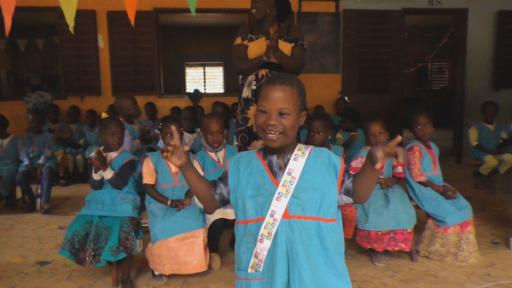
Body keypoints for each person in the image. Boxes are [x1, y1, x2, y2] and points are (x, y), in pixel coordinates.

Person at [164, 73, 402, 287]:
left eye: (283, 113)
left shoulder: (324, 162)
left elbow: (358, 194)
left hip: (315, 274)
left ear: (301, 118)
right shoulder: (241, 166)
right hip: (264, 275)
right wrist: (186, 165)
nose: (271, 121)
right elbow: (211, 202)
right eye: (263, 112)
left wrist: (372, 164)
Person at [60, 117, 142, 288]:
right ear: (101, 137)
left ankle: (126, 277)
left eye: (120, 135)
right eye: (112, 135)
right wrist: (97, 169)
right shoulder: (96, 155)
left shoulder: (128, 158)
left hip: (123, 202)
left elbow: (119, 184)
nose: (117, 139)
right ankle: (105, 257)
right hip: (100, 202)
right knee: (80, 226)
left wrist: (104, 167)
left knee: (126, 230)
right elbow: (95, 185)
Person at [405, 111, 478, 263]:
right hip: (422, 189)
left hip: (438, 186)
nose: (423, 128)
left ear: (433, 128)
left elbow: (436, 174)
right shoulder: (414, 149)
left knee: (464, 205)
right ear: (412, 130)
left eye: (427, 125)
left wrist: (445, 188)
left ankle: (460, 247)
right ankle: (436, 248)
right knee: (448, 212)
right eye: (418, 126)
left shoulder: (433, 147)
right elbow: (418, 176)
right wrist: (439, 189)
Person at [143, 115, 208, 283]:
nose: (173, 138)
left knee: (195, 224)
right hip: (161, 205)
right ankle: (158, 267)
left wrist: (187, 198)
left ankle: (188, 265)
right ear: (160, 136)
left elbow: (197, 182)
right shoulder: (152, 159)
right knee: (162, 229)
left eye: (177, 133)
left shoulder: (191, 158)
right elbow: (148, 187)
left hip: (185, 203)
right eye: (168, 134)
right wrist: (170, 203)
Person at [233, 0, 305, 151]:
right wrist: (264, 57)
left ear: (272, 9)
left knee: (281, 136)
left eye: (258, 3)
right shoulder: (245, 30)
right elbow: (238, 65)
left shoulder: (292, 32)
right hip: (251, 98)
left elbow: (297, 67)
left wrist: (276, 51)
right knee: (249, 141)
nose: (252, 7)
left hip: (283, 95)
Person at [351, 120, 417, 266]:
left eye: (380, 133)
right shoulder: (364, 153)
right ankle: (377, 248)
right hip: (369, 191)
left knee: (402, 208)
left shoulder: (392, 153)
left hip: (389, 189)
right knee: (376, 212)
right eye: (372, 135)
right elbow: (355, 174)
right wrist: (371, 180)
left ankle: (405, 244)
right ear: (367, 138)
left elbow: (398, 175)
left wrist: (391, 181)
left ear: (387, 135)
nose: (377, 137)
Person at [192, 113, 237, 270]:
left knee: (242, 219)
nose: (216, 138)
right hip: (212, 201)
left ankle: (235, 242)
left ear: (225, 132)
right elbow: (197, 185)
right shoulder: (199, 158)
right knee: (217, 223)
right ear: (202, 134)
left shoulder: (234, 151)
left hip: (233, 199)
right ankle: (214, 250)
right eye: (211, 134)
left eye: (220, 132)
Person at [17, 112, 55, 212]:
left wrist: (40, 164)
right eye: (32, 122)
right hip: (29, 162)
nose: (34, 125)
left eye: (37, 122)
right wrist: (28, 164)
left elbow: (48, 152)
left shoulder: (49, 136)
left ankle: (44, 202)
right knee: (21, 176)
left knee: (47, 171)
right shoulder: (25, 137)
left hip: (45, 161)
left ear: (42, 123)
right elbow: (22, 152)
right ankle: (32, 200)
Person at [469, 101, 512, 177]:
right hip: (481, 152)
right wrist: (488, 151)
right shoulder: (476, 127)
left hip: (495, 152)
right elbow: (474, 143)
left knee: (510, 159)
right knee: (493, 162)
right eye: (487, 111)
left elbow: (503, 140)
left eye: (493, 112)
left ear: (496, 113)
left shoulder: (499, 127)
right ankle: (479, 173)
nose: (490, 114)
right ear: (483, 113)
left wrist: (500, 146)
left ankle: (494, 172)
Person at [0, 114, 20, 208]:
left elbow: (21, 155)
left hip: (11, 166)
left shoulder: (15, 140)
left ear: (5, 126)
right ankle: (7, 196)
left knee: (6, 175)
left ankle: (4, 195)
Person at [65, 105, 86, 181]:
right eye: (70, 114)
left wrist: (80, 144)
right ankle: (70, 175)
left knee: (79, 157)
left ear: (78, 115)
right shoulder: (65, 125)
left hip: (79, 147)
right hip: (69, 148)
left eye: (74, 114)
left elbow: (85, 138)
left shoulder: (82, 126)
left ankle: (81, 175)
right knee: (69, 156)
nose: (72, 116)